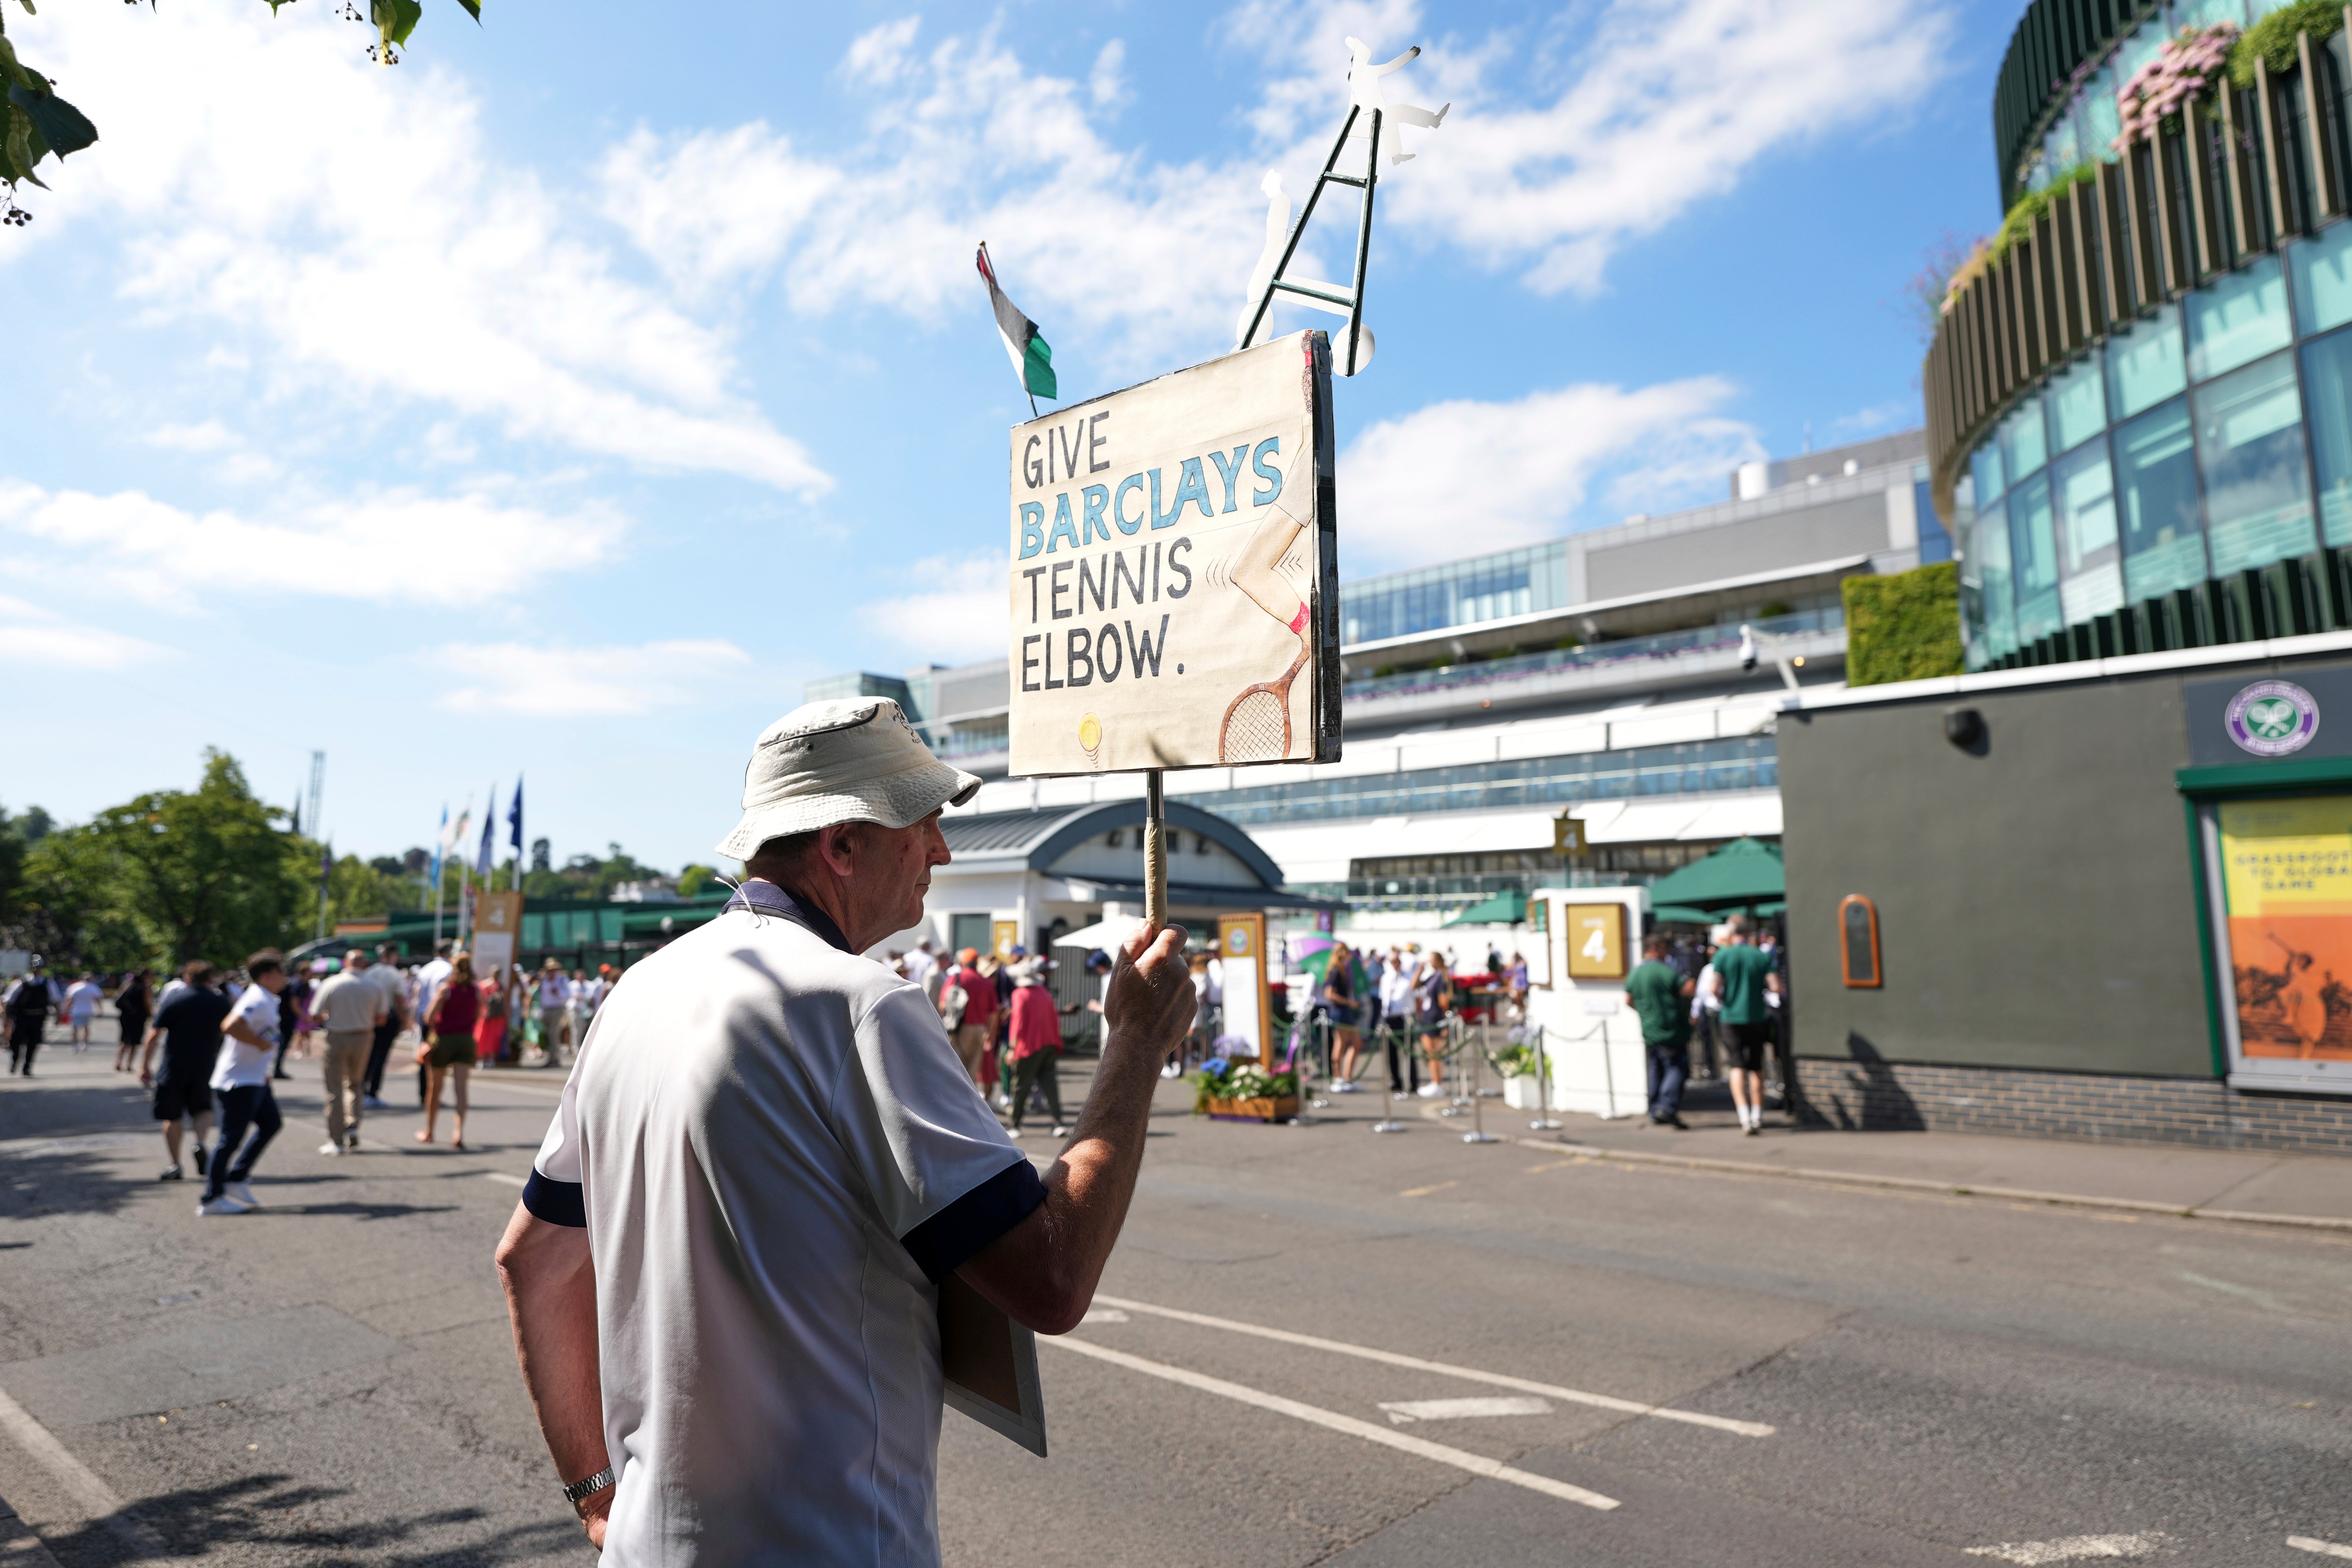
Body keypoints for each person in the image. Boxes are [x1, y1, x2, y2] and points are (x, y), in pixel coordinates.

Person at [494, 695, 1196, 1562]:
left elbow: (531, 1258)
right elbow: (1051, 1276)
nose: (939, 847)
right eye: (924, 820)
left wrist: (594, 1489)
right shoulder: (857, 1002)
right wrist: (1133, 1042)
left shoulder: (639, 989)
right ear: (841, 842)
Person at [201, 949, 290, 1215]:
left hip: (254, 1078)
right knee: (230, 1139)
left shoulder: (265, 998)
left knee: (271, 1124)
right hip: (239, 1081)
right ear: (266, 976)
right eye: (281, 972)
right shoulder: (257, 998)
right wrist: (261, 1044)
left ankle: (237, 1179)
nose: (285, 977)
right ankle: (212, 1198)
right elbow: (230, 1026)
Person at [140, 961, 229, 1182]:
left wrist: (144, 1065)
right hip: (205, 1066)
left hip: (173, 1067)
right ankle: (199, 1142)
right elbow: (229, 1034)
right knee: (204, 1109)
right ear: (211, 979)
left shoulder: (175, 999)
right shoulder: (220, 1002)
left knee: (172, 1117)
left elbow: (154, 1035)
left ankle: (175, 1164)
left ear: (187, 978)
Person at [309, 950, 387, 1154]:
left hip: (337, 1036)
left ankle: (336, 1139)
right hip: (364, 1036)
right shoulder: (374, 986)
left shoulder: (332, 983)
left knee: (334, 1088)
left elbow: (315, 1015)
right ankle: (353, 1124)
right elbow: (382, 1019)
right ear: (363, 964)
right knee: (355, 1084)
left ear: (346, 963)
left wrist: (332, 1015)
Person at [1713, 915, 1783, 1135]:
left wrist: (1725, 999)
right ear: (1748, 933)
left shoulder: (1723, 956)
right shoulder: (1760, 956)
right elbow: (1776, 987)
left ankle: (1744, 1118)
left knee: (1736, 1066)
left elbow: (1714, 988)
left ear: (1732, 933)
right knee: (1756, 1066)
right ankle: (1757, 1115)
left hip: (1731, 1017)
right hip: (1756, 1017)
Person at [1625, 934, 1696, 1130]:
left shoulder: (1636, 972)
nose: (1667, 954)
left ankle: (1655, 1108)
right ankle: (1666, 1106)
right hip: (1670, 1029)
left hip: (1649, 1030)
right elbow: (1687, 990)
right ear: (1656, 949)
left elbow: (1628, 1000)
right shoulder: (1665, 971)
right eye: (1665, 949)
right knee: (1677, 1068)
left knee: (1656, 1069)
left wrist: (1646, 1013)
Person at [418, 951, 479, 1149]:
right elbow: (479, 1014)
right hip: (466, 1040)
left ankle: (430, 1131)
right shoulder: (476, 990)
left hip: (444, 1039)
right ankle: (458, 1133)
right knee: (461, 1089)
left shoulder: (446, 989)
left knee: (435, 1088)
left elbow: (428, 1016)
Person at [1006, 963, 1069, 1139]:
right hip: (1049, 1043)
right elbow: (1055, 1018)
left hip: (1029, 1047)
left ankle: (1015, 1124)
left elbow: (1018, 1022)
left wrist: (1012, 1047)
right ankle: (1058, 1123)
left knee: (1020, 1086)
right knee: (1050, 1086)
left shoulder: (1020, 994)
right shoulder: (1044, 993)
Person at [941, 947, 996, 1087]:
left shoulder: (956, 978)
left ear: (963, 963)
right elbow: (994, 1012)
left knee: (956, 1069)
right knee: (972, 1072)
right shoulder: (985, 982)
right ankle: (969, 1105)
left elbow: (943, 1005)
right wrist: (990, 1033)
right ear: (977, 963)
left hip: (960, 1028)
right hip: (980, 1030)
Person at [361, 943, 408, 1108]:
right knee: (381, 1057)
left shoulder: (370, 972)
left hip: (369, 1017)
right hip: (388, 1018)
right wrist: (404, 1021)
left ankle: (361, 1090)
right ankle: (372, 1093)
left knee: (367, 1055)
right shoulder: (395, 975)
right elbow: (400, 1000)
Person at [413, 941, 456, 1099]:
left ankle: (425, 1094)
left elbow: (417, 995)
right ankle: (433, 1096)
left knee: (425, 1055)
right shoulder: (449, 970)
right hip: (439, 1018)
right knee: (438, 1060)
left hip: (425, 1017)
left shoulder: (426, 969)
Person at [4, 957, 60, 1076]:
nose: (37, 971)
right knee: (16, 1041)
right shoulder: (21, 982)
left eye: (39, 968)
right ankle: (15, 1060)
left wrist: (59, 1015)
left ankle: (27, 1067)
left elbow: (56, 1000)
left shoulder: (48, 983)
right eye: (35, 968)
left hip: (38, 1018)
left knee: (34, 1043)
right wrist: (7, 1018)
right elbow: (9, 1001)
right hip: (22, 1018)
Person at [1324, 942, 1363, 1091]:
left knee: (1356, 1044)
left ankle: (1347, 1078)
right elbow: (1330, 994)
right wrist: (1349, 1003)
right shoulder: (1336, 971)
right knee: (1341, 1044)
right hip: (1340, 1011)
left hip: (1344, 1011)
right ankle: (1338, 1077)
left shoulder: (1344, 971)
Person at [1412, 950, 1451, 1097]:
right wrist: (1419, 971)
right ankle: (1435, 1080)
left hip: (1435, 1017)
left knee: (1433, 1051)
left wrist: (1444, 1020)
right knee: (1429, 1051)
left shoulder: (1441, 978)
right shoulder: (1432, 977)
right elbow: (1414, 986)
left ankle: (1437, 1082)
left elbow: (1444, 1001)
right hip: (1427, 1016)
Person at [1378, 948, 1414, 1094]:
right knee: (1391, 1052)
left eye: (1397, 961)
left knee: (1408, 1051)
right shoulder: (1386, 978)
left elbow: (1414, 996)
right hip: (1390, 1017)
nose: (1395, 964)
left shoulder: (1409, 977)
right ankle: (1396, 1081)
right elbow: (1384, 998)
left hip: (1403, 1017)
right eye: (1393, 961)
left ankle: (1412, 1081)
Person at [114, 969, 153, 1073]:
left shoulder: (127, 984)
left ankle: (118, 1062)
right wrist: (151, 1015)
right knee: (135, 1041)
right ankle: (129, 1065)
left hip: (125, 1016)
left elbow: (119, 997)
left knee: (124, 1039)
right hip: (139, 1017)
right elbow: (147, 1003)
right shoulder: (146, 986)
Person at [535, 958, 572, 1066]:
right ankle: (553, 1057)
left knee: (553, 1033)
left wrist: (558, 992)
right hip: (547, 1010)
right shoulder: (544, 980)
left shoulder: (562, 979)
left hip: (558, 1008)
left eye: (554, 969)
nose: (552, 972)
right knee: (549, 1034)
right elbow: (543, 996)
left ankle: (554, 1058)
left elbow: (569, 994)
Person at [476, 963, 510, 1066]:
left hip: (485, 1015)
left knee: (482, 1037)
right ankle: (490, 1059)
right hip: (497, 1017)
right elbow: (506, 1004)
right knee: (494, 1038)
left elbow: (479, 1002)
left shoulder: (483, 985)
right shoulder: (501, 987)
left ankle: (481, 1059)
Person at [63, 972, 101, 1049]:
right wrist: (100, 1010)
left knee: (76, 1028)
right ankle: (85, 1044)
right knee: (86, 1028)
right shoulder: (94, 987)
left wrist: (66, 1010)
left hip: (76, 1011)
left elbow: (70, 1000)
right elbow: (98, 1000)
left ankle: (75, 1045)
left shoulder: (74, 987)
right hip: (88, 1011)